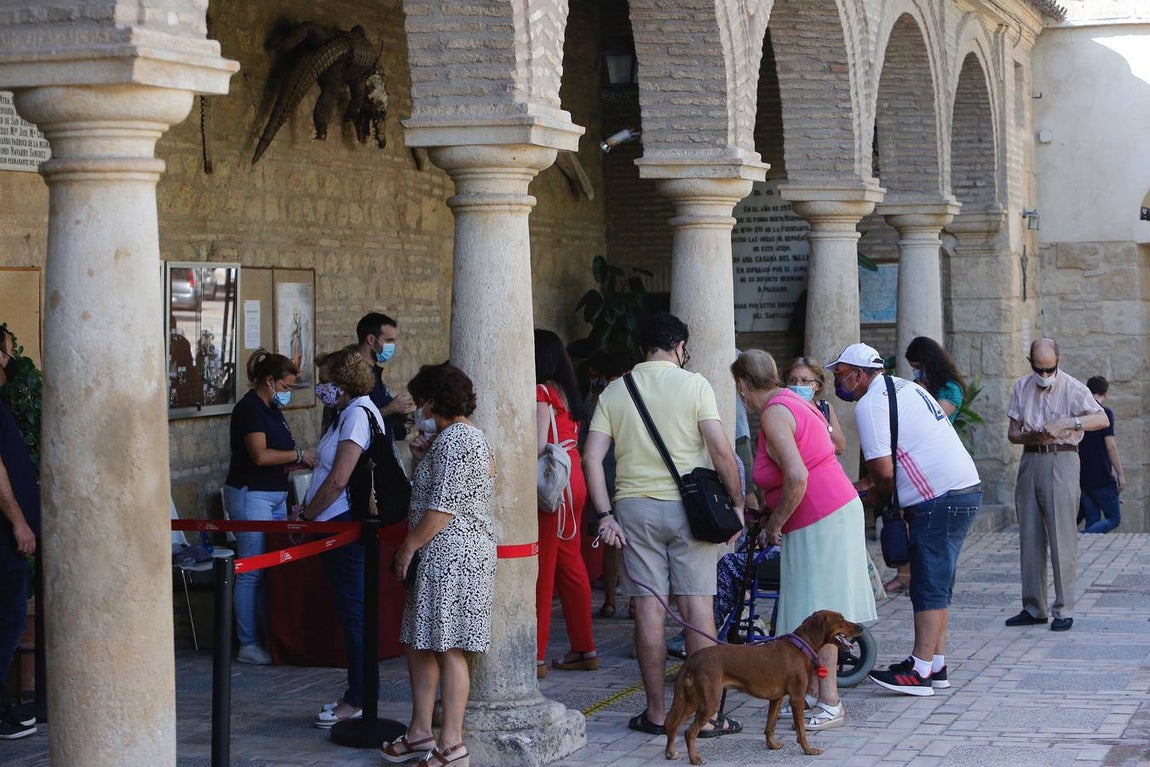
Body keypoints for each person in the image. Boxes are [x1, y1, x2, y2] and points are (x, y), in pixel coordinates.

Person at [584, 313, 744, 737]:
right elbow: (721, 450)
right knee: (697, 609)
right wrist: (738, 503)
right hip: (691, 509)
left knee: (649, 613)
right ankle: (707, 717)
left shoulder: (615, 391)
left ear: (642, 348)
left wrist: (604, 515)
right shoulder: (695, 385)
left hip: (634, 508)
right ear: (679, 346)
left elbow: (591, 457)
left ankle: (656, 712)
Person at [732, 349, 876, 729]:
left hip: (821, 516)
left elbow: (797, 476)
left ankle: (829, 702)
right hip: (826, 512)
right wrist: (774, 512)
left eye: (738, 389)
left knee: (821, 613)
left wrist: (774, 524)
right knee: (812, 609)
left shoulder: (775, 412)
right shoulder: (792, 403)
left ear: (744, 385)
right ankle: (814, 693)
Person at [827, 343, 981, 696]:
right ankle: (936, 664)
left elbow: (882, 470)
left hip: (937, 497)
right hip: (963, 490)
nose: (837, 381)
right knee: (938, 581)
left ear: (859, 374)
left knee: (926, 582)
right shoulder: (904, 387)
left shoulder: (871, 403)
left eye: (839, 374)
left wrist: (864, 491)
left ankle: (918, 669)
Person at [381, 363, 496, 767]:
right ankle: (419, 731)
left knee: (448, 646)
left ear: (434, 402)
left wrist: (407, 547)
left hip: (454, 558)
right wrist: (419, 459)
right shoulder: (449, 440)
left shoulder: (460, 439)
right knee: (421, 642)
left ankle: (451, 743)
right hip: (441, 556)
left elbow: (442, 508)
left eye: (419, 402)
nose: (415, 412)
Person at [292, 349, 384, 726]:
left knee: (355, 614)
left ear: (342, 383)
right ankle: (358, 692)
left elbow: (338, 478)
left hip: (343, 523)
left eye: (326, 380)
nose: (321, 388)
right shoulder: (344, 414)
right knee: (351, 613)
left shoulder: (357, 416)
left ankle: (359, 697)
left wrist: (307, 514)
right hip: (332, 521)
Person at [1004, 338, 1106, 632]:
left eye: (1050, 369)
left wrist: (1067, 424)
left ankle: (1063, 608)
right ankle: (1033, 606)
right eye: (1040, 369)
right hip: (1031, 459)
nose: (1045, 375)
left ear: (1058, 361)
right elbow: (1013, 432)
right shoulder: (1021, 387)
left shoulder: (1073, 387)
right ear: (1030, 362)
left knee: (1062, 534)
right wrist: (1029, 436)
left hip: (1062, 458)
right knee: (1030, 535)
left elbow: (1099, 419)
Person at [223, 350, 316, 666]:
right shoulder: (249, 409)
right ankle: (247, 642)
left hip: (275, 495)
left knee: (272, 567)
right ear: (269, 381)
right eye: (286, 385)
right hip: (253, 495)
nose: (287, 393)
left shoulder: (272, 409)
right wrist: (299, 454)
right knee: (251, 569)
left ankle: (269, 636)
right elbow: (260, 455)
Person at [534, 330, 597, 678]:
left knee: (543, 567)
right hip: (572, 478)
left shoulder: (541, 391)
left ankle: (536, 654)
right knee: (571, 565)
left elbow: (537, 443)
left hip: (552, 480)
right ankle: (584, 646)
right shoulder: (565, 391)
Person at [883, 337, 967, 594]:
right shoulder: (914, 385)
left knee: (928, 524)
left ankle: (928, 577)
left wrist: (920, 389)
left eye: (917, 365)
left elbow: (933, 418)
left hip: (934, 461)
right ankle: (905, 573)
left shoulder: (950, 389)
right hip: (908, 457)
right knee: (905, 517)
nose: (915, 371)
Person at [0, 327, 39, 739]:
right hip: (4, 536)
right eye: (8, 353)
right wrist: (19, 522)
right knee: (9, 618)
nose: (12, 361)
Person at [353, 312, 415, 440]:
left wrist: (403, 416)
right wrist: (391, 407)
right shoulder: (353, 375)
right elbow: (356, 421)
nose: (392, 346)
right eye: (388, 341)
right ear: (371, 339)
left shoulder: (374, 371)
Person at [1079, 376, 1125, 534]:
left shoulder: (1079, 414)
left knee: (1092, 518)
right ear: (1105, 392)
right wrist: (1120, 474)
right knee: (1114, 518)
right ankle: (1083, 536)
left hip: (1082, 476)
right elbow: (1111, 446)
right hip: (1101, 476)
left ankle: (1087, 551)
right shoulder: (1104, 413)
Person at [782, 356, 846, 455]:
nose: (797, 385)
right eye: (792, 380)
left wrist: (822, 422)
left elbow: (840, 447)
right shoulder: (781, 409)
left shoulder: (825, 408)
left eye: (804, 380)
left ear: (817, 385)